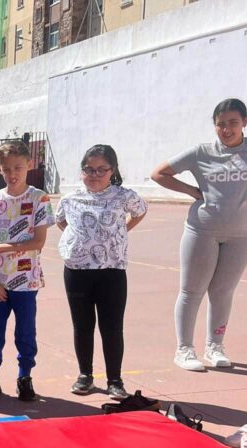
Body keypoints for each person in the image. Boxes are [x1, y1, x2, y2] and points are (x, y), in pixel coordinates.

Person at [151, 98, 247, 371]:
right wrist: (192, 191)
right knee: (192, 291)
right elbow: (159, 174)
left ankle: (215, 346)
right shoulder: (201, 152)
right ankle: (184, 349)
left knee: (223, 291)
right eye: (221, 124)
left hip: (242, 233)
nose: (226, 129)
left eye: (233, 123)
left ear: (245, 122)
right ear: (214, 125)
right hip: (202, 231)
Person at [57, 145, 147, 399]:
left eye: (101, 169)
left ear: (112, 170)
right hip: (77, 271)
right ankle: (85, 375)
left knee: (112, 327)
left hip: (112, 271)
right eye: (89, 169)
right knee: (82, 325)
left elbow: (140, 212)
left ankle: (115, 380)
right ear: (81, 170)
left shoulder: (124, 196)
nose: (94, 175)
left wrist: (120, 232)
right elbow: (61, 221)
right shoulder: (70, 199)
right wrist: (81, 241)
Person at [0, 140, 54, 402]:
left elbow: (38, 242)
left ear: (29, 165)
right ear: (0, 169)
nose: (13, 174)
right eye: (7, 169)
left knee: (25, 333)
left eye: (18, 167)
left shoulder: (39, 199)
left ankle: (24, 377)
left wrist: (5, 247)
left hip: (26, 282)